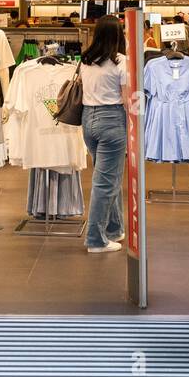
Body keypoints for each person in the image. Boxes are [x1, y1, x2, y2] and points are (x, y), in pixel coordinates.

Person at [79, 15, 128, 252]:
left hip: (88, 120)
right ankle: (95, 240)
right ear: (119, 35)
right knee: (105, 182)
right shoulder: (121, 62)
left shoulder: (86, 60)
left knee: (109, 177)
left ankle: (114, 228)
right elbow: (128, 99)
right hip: (111, 120)